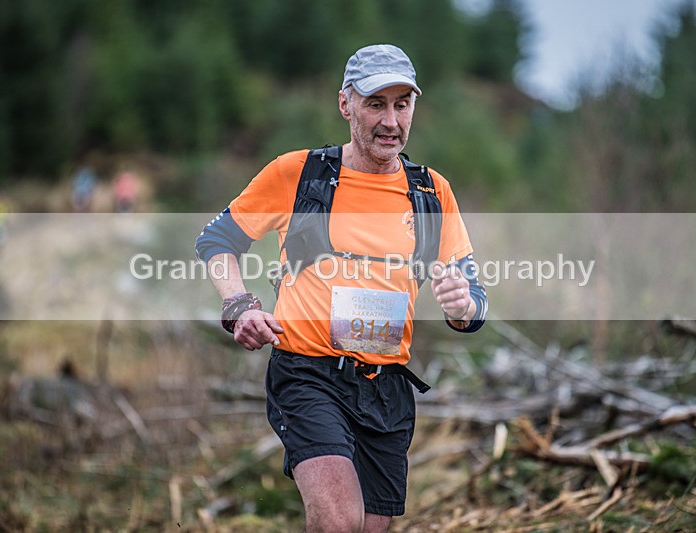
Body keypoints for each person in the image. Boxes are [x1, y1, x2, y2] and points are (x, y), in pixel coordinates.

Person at [196, 44, 487, 532]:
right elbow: (217, 238)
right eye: (376, 104)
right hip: (308, 375)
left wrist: (461, 305)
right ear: (345, 104)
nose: (391, 121)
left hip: (387, 389)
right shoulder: (299, 174)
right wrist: (239, 304)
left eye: (402, 104)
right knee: (337, 520)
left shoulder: (431, 191)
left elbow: (473, 301)